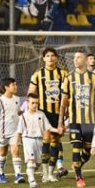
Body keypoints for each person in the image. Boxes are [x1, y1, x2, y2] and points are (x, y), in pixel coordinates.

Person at [58, 51, 95, 188]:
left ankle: (77, 165)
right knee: (76, 146)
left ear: (85, 60)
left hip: (90, 120)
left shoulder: (94, 78)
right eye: (75, 57)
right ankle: (79, 177)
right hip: (75, 119)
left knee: (88, 151)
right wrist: (61, 122)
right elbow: (64, 101)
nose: (76, 60)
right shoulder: (68, 78)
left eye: (79, 57)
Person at [27, 47, 69, 180]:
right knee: (46, 140)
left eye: (53, 55)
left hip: (59, 113)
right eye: (47, 56)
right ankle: (45, 173)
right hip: (44, 112)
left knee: (55, 141)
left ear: (56, 58)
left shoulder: (63, 74)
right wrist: (32, 109)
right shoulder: (38, 74)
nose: (50, 58)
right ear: (43, 58)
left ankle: (51, 173)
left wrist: (67, 109)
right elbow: (31, 93)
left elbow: (68, 94)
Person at [15, 93, 57, 188]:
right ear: (27, 103)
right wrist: (18, 142)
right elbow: (19, 131)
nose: (35, 105)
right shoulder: (23, 117)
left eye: (36, 103)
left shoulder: (41, 114)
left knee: (38, 163)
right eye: (33, 103)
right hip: (28, 139)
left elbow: (48, 127)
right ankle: (32, 180)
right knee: (31, 161)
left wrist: (57, 130)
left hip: (39, 140)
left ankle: (30, 173)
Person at [0, 78, 23, 184]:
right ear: (6, 87)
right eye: (13, 85)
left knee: (15, 150)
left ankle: (18, 175)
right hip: (3, 131)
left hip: (15, 131)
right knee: (2, 152)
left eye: (15, 84)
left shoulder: (17, 99)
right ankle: (0, 173)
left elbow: (17, 112)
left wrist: (22, 113)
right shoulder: (0, 100)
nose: (15, 86)